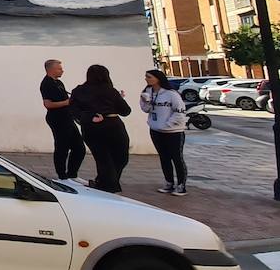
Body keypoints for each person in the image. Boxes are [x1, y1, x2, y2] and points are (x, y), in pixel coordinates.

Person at [70, 64, 133, 192]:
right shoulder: (110, 90)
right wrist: (118, 100)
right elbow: (126, 111)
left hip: (91, 128)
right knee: (120, 157)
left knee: (102, 157)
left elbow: (73, 110)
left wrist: (88, 118)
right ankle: (108, 185)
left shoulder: (79, 90)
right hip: (113, 125)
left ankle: (104, 182)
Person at [141, 69, 188, 195]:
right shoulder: (148, 92)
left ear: (158, 78)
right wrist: (146, 102)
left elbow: (180, 111)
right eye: (146, 77)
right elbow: (146, 110)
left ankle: (181, 185)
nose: (146, 79)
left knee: (176, 158)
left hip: (173, 132)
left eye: (149, 77)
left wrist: (168, 125)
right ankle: (169, 182)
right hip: (156, 130)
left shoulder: (171, 94)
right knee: (164, 158)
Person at [39, 59, 85, 180]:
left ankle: (72, 174)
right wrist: (67, 102)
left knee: (79, 147)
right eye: (59, 68)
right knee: (62, 147)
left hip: (67, 117)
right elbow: (48, 104)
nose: (62, 70)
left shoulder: (58, 83)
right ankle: (62, 176)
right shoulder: (46, 84)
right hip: (57, 119)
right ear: (51, 69)